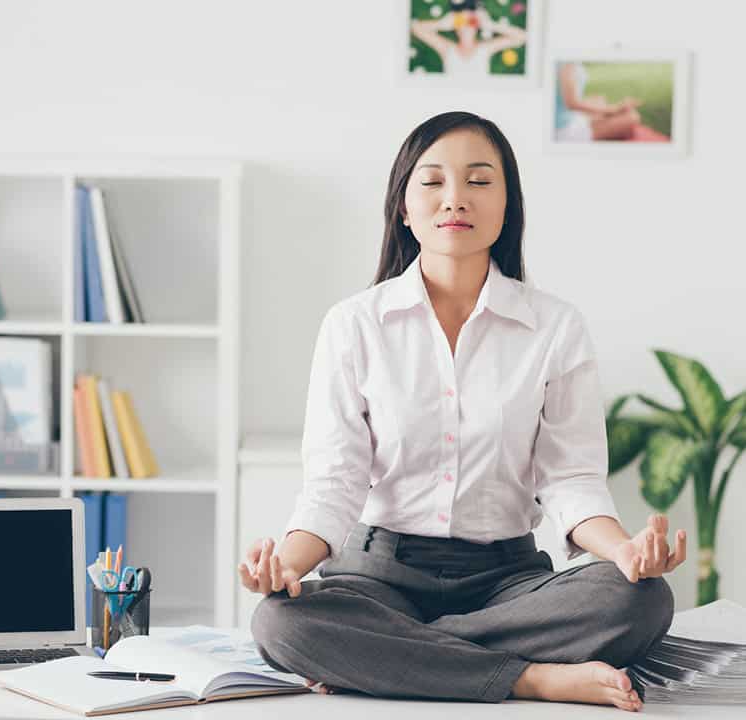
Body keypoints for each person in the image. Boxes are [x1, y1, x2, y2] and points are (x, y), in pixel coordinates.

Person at [240, 111, 685, 712]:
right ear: (403, 205)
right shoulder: (354, 325)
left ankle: (387, 661)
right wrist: (285, 567)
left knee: (643, 599)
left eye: (479, 181)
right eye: (432, 182)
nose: (456, 198)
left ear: (507, 206)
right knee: (278, 624)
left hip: (507, 582)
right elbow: (334, 482)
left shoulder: (554, 326)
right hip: (378, 576)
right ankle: (531, 677)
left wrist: (624, 552)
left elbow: (571, 479)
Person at [411, 1, 527, 78]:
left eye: (472, 21)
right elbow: (416, 28)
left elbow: (522, 37)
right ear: (455, 26)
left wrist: (491, 25)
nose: (466, 26)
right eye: (460, 21)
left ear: (477, 26)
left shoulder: (484, 49)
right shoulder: (448, 49)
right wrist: (442, 23)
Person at [555, 62, 642, 141]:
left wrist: (611, 109)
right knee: (632, 117)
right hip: (562, 131)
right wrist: (615, 109)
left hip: (565, 117)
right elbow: (572, 104)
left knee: (599, 99)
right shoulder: (567, 61)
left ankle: (607, 117)